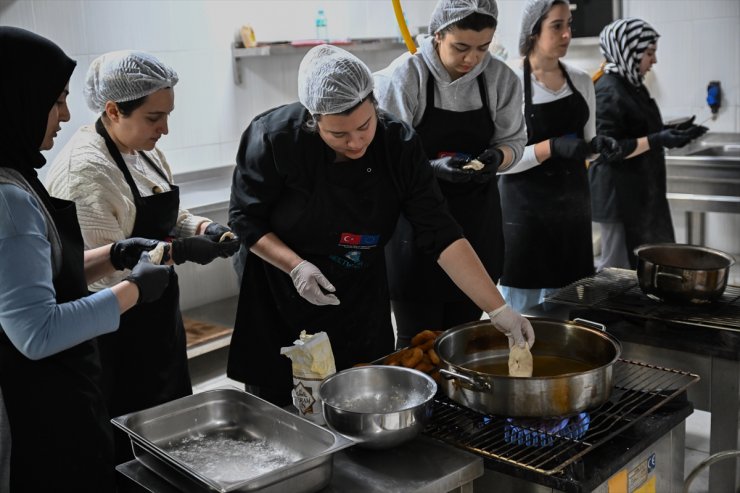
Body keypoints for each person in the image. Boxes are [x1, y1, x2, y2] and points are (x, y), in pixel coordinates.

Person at [228, 44, 535, 406]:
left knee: (362, 397)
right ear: (314, 119)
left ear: (374, 103)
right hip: (280, 292)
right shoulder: (274, 139)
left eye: (364, 126)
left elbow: (440, 232)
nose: (356, 142)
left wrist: (499, 310)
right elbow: (244, 219)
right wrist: (297, 267)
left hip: (358, 292)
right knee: (281, 408)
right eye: (338, 135)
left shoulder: (398, 144)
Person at [45, 50, 239, 464]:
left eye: (167, 115)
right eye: (155, 118)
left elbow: (168, 212)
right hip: (116, 338)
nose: (165, 129)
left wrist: (204, 229)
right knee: (131, 449)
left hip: (157, 323)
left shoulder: (143, 150)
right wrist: (181, 251)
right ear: (114, 110)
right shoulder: (87, 173)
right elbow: (105, 275)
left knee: (173, 433)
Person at [0, 27, 172, 491]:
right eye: (55, 99)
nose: (67, 113)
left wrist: (113, 254)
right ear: (17, 97)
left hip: (59, 386)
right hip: (37, 401)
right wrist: (134, 289)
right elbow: (37, 332)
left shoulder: (16, 170)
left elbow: (46, 274)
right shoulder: (8, 199)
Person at [373, 0, 527, 347]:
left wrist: (496, 158)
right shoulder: (406, 77)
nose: (472, 59)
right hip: (414, 236)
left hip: (477, 228)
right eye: (461, 47)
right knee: (418, 346)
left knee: (466, 343)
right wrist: (429, 170)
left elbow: (514, 141)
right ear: (438, 34)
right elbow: (387, 159)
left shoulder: (501, 79)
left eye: (483, 48)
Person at [495, 0, 621, 313]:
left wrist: (599, 146)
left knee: (572, 316)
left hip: (573, 218)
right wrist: (550, 148)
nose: (567, 34)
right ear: (533, 31)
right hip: (523, 218)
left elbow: (587, 144)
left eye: (569, 25)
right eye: (557, 26)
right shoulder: (509, 81)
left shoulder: (580, 80)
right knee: (524, 321)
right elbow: (500, 162)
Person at [590, 18, 707, 270]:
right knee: (617, 271)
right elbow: (610, 149)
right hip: (619, 198)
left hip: (640, 193)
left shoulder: (632, 86)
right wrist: (659, 139)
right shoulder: (608, 89)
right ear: (628, 51)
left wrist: (673, 132)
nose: (653, 61)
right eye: (649, 53)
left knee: (646, 267)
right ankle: (611, 311)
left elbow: (640, 130)